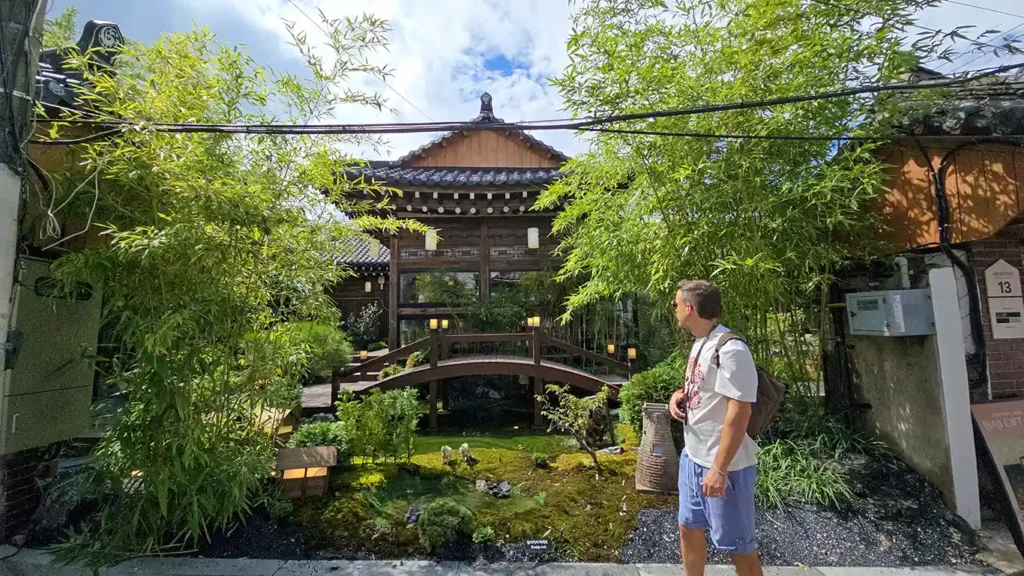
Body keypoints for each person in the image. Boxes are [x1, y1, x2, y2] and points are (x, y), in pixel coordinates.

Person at [668, 280, 763, 576]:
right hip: (693, 457)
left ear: (689, 308)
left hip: (725, 466)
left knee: (739, 547)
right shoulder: (701, 342)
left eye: (675, 305)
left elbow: (740, 411)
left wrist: (719, 470)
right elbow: (705, 391)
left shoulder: (731, 349)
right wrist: (678, 397)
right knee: (688, 527)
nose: (673, 310)